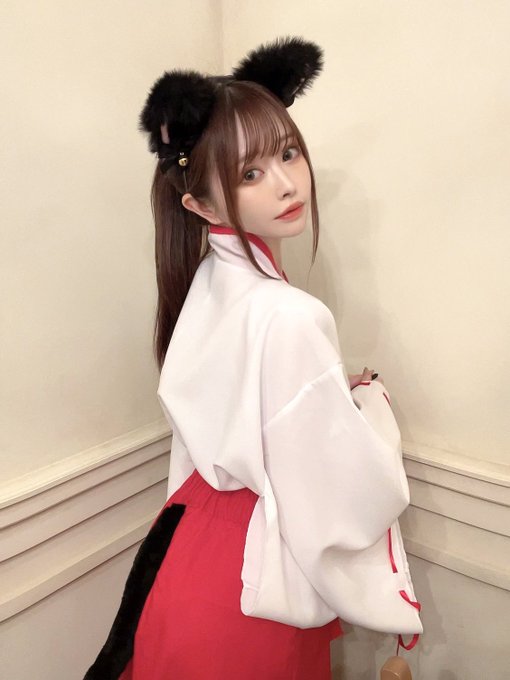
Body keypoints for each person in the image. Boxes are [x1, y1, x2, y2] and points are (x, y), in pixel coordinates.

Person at [84, 36, 423, 680]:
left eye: (287, 153)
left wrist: (325, 392)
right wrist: (369, 412)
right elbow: (341, 495)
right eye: (249, 173)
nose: (287, 184)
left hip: (183, 555)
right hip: (249, 586)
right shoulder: (290, 314)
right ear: (200, 204)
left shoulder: (205, 285)